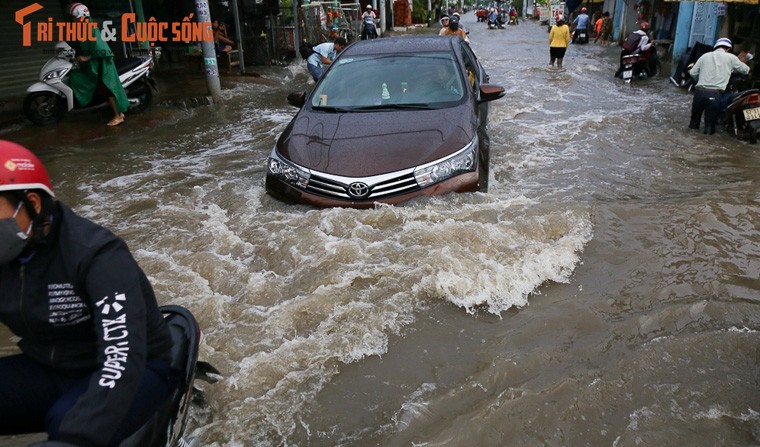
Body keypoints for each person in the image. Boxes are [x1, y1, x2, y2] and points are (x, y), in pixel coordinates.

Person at [0, 140, 178, 446]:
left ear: (32, 203)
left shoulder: (96, 254)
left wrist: (75, 438)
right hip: (49, 366)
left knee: (67, 423)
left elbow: (122, 354)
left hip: (134, 370)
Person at [67, 3, 129, 127]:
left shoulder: (90, 28)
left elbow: (102, 49)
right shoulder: (83, 28)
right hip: (92, 64)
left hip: (101, 64)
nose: (75, 21)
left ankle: (118, 115)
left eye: (76, 18)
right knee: (76, 77)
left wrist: (86, 57)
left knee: (106, 88)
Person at [688, 38, 750, 135]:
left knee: (693, 124)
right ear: (728, 48)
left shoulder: (704, 56)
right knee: (709, 128)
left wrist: (699, 80)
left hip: (699, 93)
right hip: (715, 94)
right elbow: (746, 70)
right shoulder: (731, 58)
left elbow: (693, 72)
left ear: (716, 46)